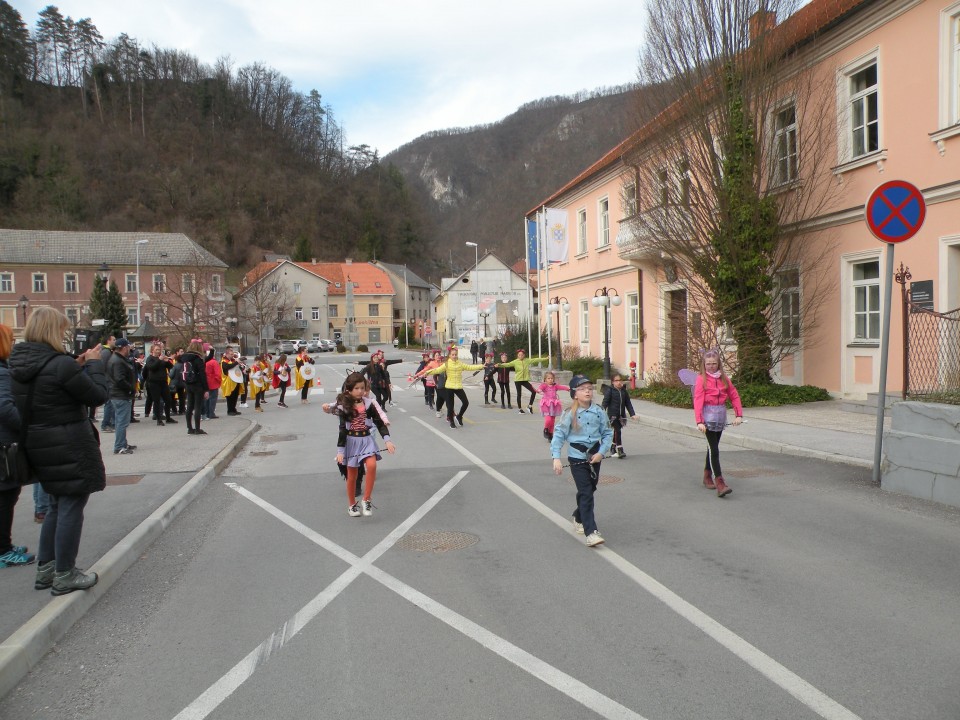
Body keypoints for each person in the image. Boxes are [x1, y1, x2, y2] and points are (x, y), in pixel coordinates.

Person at [8, 307, 109, 594]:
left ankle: (46, 569)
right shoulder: (60, 365)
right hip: (68, 442)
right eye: (63, 330)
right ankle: (65, 573)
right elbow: (97, 395)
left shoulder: (20, 365)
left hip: (39, 443)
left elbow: (48, 391)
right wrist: (93, 364)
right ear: (53, 331)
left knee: (54, 505)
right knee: (71, 506)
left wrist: (75, 366)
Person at [550, 375, 613, 548]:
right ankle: (591, 531)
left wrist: (601, 452)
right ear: (574, 394)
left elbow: (608, 433)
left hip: (595, 456)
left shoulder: (599, 411)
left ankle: (578, 517)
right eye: (582, 389)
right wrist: (556, 458)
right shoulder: (570, 413)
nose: (587, 391)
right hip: (577, 457)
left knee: (590, 489)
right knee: (585, 491)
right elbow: (558, 435)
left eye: (589, 388)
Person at [322, 372, 396, 517]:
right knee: (352, 476)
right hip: (351, 441)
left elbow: (379, 422)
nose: (360, 391)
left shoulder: (369, 403)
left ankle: (366, 499)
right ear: (349, 390)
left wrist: (387, 440)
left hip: (367, 440)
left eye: (362, 388)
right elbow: (342, 429)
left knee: (372, 465)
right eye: (356, 388)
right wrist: (340, 451)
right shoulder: (344, 405)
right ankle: (351, 505)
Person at [0, 323, 34, 567]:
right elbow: (4, 407)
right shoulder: (2, 372)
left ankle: (5, 544)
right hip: (4, 444)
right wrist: (26, 426)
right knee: (6, 496)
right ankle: (3, 549)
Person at [694, 349, 743, 498]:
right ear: (704, 364)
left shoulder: (724, 378)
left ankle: (706, 475)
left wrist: (738, 415)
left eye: (714, 363)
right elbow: (698, 400)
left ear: (718, 363)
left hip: (720, 417)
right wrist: (699, 421)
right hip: (707, 419)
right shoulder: (701, 379)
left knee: (712, 448)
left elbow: (734, 395)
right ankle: (720, 482)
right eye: (708, 364)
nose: (711, 366)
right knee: (714, 450)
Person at [414, 346, 483, 429]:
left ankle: (459, 416)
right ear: (449, 355)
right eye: (453, 355)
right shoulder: (446, 364)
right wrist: (427, 373)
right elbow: (437, 370)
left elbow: (470, 367)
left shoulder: (460, 364)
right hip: (449, 386)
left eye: (455, 354)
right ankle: (451, 422)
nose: (454, 356)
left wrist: (481, 366)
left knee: (466, 403)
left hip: (458, 386)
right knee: (450, 406)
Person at [107, 338, 137, 455]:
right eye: (128, 347)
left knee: (121, 421)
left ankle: (123, 443)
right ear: (124, 348)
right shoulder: (118, 361)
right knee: (121, 422)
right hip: (120, 395)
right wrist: (130, 388)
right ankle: (119, 446)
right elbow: (119, 379)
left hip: (118, 394)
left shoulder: (116, 359)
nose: (129, 349)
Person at [496, 349, 548, 414]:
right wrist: (499, 365)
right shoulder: (515, 361)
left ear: (524, 355)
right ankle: (520, 409)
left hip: (525, 380)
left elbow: (536, 360)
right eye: (519, 355)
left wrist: (545, 359)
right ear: (517, 355)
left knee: (534, 392)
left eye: (522, 355)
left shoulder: (527, 361)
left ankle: (529, 406)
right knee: (519, 394)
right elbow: (507, 364)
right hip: (518, 380)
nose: (520, 356)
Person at [602, 374, 637, 459]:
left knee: (617, 431)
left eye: (620, 380)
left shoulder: (623, 391)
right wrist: (601, 413)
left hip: (621, 415)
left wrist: (632, 414)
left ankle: (613, 447)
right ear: (613, 382)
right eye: (616, 381)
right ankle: (620, 450)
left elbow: (628, 403)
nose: (619, 382)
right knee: (618, 431)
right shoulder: (610, 390)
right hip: (612, 415)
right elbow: (605, 403)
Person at [180, 339, 209, 435]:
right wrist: (206, 389)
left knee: (189, 407)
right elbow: (202, 374)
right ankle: (197, 428)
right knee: (197, 407)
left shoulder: (184, 358)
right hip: (197, 384)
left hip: (188, 384)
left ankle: (189, 428)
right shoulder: (198, 358)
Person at [143, 343, 177, 426]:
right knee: (157, 401)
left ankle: (168, 417)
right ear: (152, 351)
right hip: (154, 383)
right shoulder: (150, 359)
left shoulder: (161, 359)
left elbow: (170, 366)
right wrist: (159, 360)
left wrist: (167, 361)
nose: (158, 351)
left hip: (163, 382)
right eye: (156, 350)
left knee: (168, 400)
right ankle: (158, 419)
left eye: (159, 350)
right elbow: (152, 367)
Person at [537, 371, 570, 441]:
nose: (550, 380)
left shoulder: (555, 386)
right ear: (545, 379)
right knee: (548, 419)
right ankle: (546, 429)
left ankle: (550, 434)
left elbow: (561, 387)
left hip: (554, 405)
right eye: (548, 378)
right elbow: (540, 388)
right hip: (546, 405)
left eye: (552, 378)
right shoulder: (544, 385)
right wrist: (539, 390)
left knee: (552, 420)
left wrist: (567, 389)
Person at [98, 335, 116, 432]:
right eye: (113, 340)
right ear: (108, 341)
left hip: (108, 380)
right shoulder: (106, 352)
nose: (115, 341)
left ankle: (111, 423)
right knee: (109, 403)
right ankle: (105, 424)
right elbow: (104, 367)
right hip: (108, 380)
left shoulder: (107, 352)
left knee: (111, 403)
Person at [220, 347, 243, 416]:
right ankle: (229, 410)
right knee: (230, 397)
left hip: (235, 381)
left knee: (235, 396)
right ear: (227, 354)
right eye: (231, 354)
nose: (232, 355)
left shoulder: (233, 360)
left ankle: (234, 409)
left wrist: (241, 366)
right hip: (229, 382)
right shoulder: (224, 361)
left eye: (233, 354)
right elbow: (227, 367)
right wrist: (236, 362)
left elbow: (237, 369)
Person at [204, 344, 222, 419]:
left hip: (206, 382)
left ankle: (207, 413)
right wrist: (219, 381)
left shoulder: (205, 362)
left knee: (207, 399)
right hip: (213, 382)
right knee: (213, 399)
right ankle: (211, 413)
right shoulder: (214, 362)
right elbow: (218, 374)